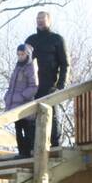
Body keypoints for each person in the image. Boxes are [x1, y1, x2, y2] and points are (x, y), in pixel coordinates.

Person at [25, 11, 69, 147]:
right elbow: (23, 63)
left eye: (42, 19)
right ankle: (31, 146)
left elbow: (64, 63)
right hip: (32, 84)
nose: (39, 21)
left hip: (50, 84)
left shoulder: (57, 39)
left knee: (52, 114)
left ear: (49, 21)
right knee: (30, 115)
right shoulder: (30, 40)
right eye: (37, 19)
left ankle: (55, 145)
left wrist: (61, 85)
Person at [2, 43, 39, 157]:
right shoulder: (17, 68)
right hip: (14, 104)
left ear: (27, 54)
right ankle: (21, 152)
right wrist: (7, 97)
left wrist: (23, 96)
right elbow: (12, 86)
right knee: (18, 130)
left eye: (22, 54)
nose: (20, 57)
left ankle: (27, 152)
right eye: (18, 54)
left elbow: (34, 86)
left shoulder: (30, 67)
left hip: (24, 104)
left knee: (26, 129)